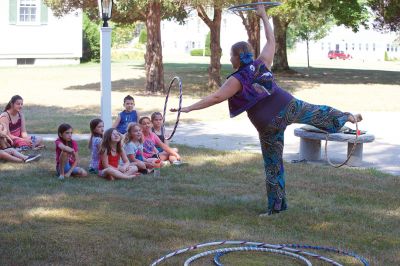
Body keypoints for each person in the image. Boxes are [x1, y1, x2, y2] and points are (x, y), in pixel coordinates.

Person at [171, 5, 362, 216]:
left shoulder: (236, 79)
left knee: (273, 165)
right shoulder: (262, 62)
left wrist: (188, 108)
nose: (230, 60)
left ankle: (276, 208)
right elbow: (271, 41)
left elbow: (216, 97)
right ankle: (346, 117)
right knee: (318, 111)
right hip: (288, 106)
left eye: (231, 56)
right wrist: (263, 16)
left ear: (237, 57)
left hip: (268, 124)